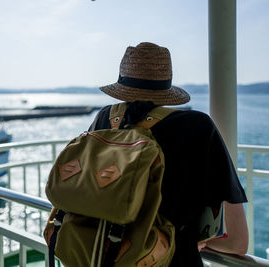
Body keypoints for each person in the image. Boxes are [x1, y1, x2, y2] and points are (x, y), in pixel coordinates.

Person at [88, 42, 248, 266]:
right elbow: (238, 242)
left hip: (104, 253)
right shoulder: (198, 126)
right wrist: (199, 240)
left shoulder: (105, 119)